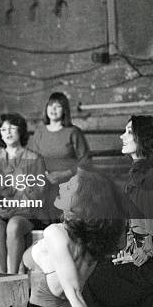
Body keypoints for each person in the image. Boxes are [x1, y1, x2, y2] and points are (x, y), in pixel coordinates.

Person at [0, 166, 125, 307]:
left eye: (69, 186)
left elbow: (73, 292)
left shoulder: (56, 233)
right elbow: (63, 294)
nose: (61, 186)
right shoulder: (92, 239)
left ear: (83, 201)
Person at [83, 115, 153, 307]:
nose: (122, 136)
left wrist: (134, 255)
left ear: (145, 138)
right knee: (96, 271)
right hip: (152, 260)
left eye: (129, 132)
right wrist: (129, 252)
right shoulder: (142, 173)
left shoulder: (152, 176)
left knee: (95, 280)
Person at [0, 113, 48, 273]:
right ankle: (1, 275)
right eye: (4, 129)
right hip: (0, 211)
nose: (8, 132)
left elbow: (39, 192)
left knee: (14, 225)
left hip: (26, 212)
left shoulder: (35, 158)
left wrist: (17, 205)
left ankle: (13, 276)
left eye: (12, 128)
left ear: (21, 131)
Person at [28, 92, 89, 221]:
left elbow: (86, 160)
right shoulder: (39, 132)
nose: (53, 109)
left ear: (65, 110)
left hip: (69, 180)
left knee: (59, 199)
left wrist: (65, 173)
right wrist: (43, 175)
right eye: (50, 105)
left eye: (58, 106)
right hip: (45, 181)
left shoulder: (73, 132)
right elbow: (34, 160)